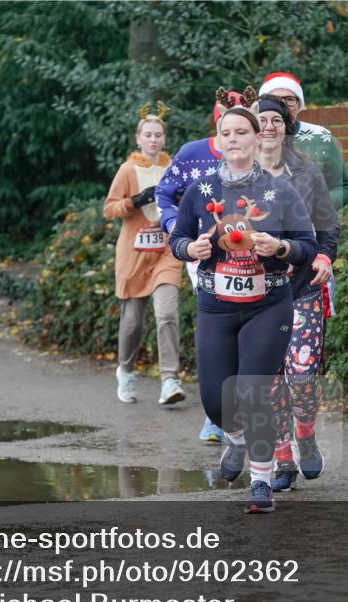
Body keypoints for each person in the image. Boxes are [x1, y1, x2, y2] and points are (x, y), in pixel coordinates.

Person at [169, 87, 318, 513]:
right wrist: (188, 250)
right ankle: (232, 437)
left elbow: (306, 244)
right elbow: (177, 238)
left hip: (268, 304)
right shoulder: (200, 192)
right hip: (215, 304)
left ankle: (261, 481)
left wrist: (281, 249)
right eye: (226, 132)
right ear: (220, 140)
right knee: (216, 399)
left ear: (257, 138)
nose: (234, 139)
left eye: (241, 132)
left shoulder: (280, 191)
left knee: (254, 390)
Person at [255, 94, 339, 491]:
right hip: (256, 294)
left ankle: (305, 432)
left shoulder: (306, 172)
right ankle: (283, 457)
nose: (269, 126)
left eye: (276, 119)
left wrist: (324, 257)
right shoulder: (236, 173)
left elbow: (327, 225)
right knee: (269, 379)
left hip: (302, 288)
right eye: (262, 120)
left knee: (301, 377)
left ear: (287, 127)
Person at [155, 89, 245, 442]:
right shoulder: (192, 153)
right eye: (226, 115)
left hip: (253, 259)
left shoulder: (261, 158)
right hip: (204, 256)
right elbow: (164, 191)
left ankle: (234, 414)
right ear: (216, 117)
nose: (233, 125)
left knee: (245, 332)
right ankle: (216, 416)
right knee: (220, 328)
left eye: (240, 116)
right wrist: (176, 228)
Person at [103, 102, 185, 406]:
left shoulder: (173, 165)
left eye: (158, 135)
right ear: (138, 138)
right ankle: (125, 371)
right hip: (134, 252)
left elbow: (187, 198)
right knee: (133, 322)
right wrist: (134, 201)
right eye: (147, 134)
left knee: (166, 313)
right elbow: (109, 208)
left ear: (164, 138)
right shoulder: (127, 169)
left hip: (165, 250)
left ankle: (169, 380)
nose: (153, 140)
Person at [258, 71, 348, 210]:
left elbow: (343, 187)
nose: (283, 104)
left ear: (299, 105)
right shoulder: (246, 135)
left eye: (290, 99)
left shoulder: (320, 136)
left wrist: (317, 206)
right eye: (275, 99)